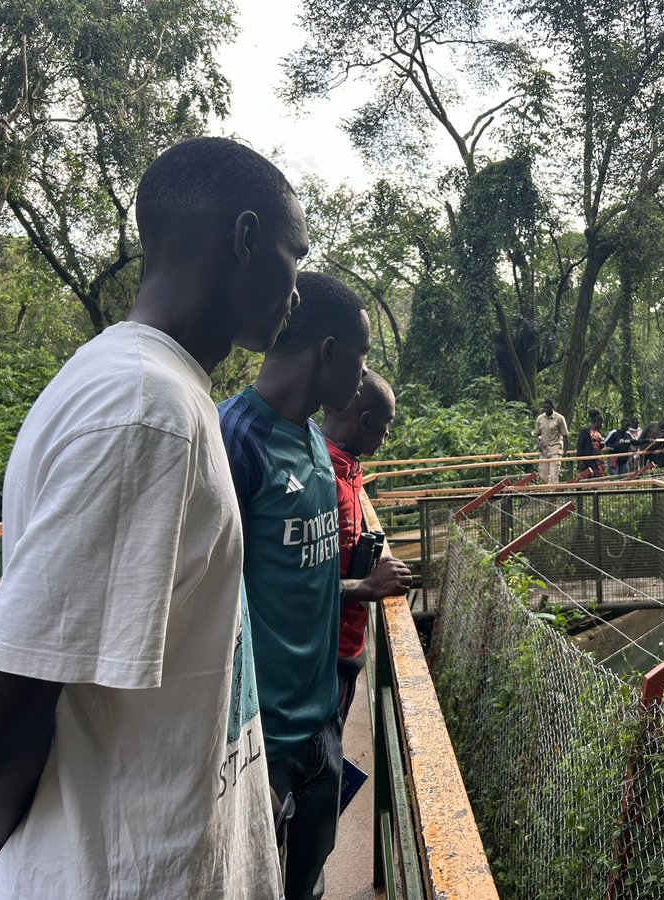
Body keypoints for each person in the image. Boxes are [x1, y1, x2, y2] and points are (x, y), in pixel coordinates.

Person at [0, 137, 302, 900]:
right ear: (243, 238)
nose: (296, 287)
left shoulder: (156, 392)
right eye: (291, 254)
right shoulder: (145, 413)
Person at [218, 271, 370, 900]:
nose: (362, 377)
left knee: (306, 886)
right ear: (328, 351)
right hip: (260, 752)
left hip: (320, 734)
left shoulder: (314, 441)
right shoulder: (233, 439)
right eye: (360, 358)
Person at [321, 371, 413, 722]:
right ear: (365, 421)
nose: (387, 435)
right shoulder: (322, 472)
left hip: (345, 644)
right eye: (386, 425)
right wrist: (369, 586)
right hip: (327, 655)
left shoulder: (348, 468)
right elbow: (296, 579)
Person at [534, 399, 569, 483]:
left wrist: (564, 450)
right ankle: (547, 491)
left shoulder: (559, 418)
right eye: (545, 408)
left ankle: (553, 494)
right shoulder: (540, 419)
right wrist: (538, 444)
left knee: (554, 474)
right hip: (544, 450)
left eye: (548, 408)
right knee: (543, 475)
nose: (546, 410)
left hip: (555, 449)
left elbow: (565, 435)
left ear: (552, 407)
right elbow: (536, 434)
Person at [576, 408, 605, 478]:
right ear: (597, 422)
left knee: (597, 477)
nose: (602, 425)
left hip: (597, 460)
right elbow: (580, 446)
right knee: (587, 476)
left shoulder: (598, 432)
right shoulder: (585, 431)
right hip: (588, 460)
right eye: (601, 423)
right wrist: (580, 460)